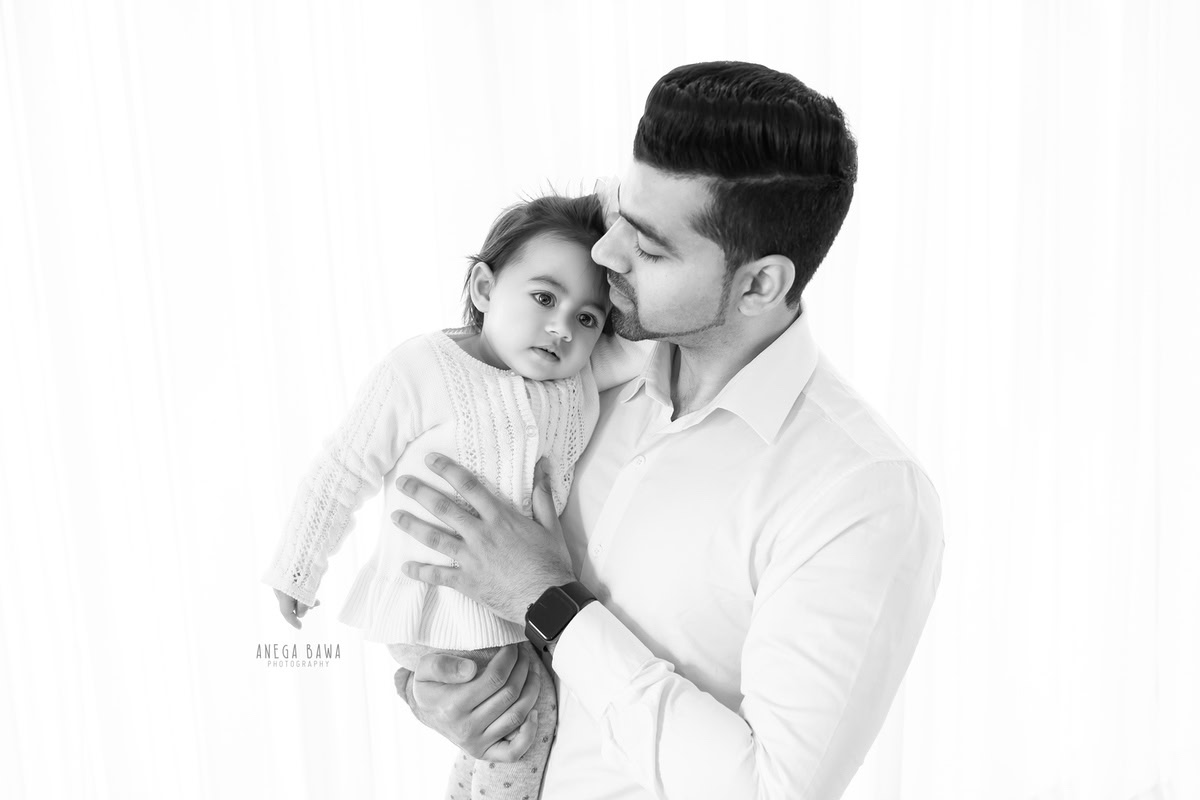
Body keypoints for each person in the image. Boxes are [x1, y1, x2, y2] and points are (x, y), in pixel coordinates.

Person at [391, 61, 945, 799]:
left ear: (759, 284)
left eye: (650, 248)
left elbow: (771, 790)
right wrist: (429, 691)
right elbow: (453, 561)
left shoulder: (860, 494)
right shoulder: (574, 372)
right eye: (620, 212)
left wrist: (549, 598)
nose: (604, 253)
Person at [261, 193, 646, 800]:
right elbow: (343, 467)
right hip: (436, 598)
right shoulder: (423, 367)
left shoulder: (576, 376)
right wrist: (298, 567)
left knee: (512, 723)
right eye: (544, 297)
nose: (561, 327)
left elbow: (654, 337)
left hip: (514, 603)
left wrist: (620, 237)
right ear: (485, 287)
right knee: (526, 719)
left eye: (587, 317)